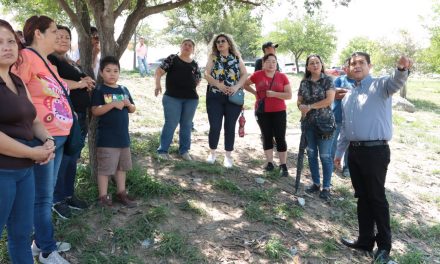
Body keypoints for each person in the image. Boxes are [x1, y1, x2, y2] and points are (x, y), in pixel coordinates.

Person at [335, 52, 412, 263]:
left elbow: (396, 81)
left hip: (375, 152)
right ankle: (365, 240)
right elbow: (345, 127)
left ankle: (384, 247)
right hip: (355, 151)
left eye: (361, 63)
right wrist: (339, 152)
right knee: (362, 197)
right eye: (353, 63)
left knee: (377, 198)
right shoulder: (348, 95)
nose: (357, 66)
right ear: (348, 68)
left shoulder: (380, 85)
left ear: (369, 66)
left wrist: (402, 68)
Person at [12, 15, 72, 264]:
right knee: (43, 197)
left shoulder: (49, 62)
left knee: (45, 194)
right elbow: (15, 91)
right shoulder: (25, 58)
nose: (58, 35)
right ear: (38, 33)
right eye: (54, 30)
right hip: (42, 138)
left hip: (56, 137)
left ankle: (40, 242)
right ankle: (46, 249)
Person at [0, 18, 55, 264]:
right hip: (2, 172)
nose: (7, 46)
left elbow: (33, 120)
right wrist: (33, 153)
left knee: (21, 235)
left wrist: (48, 139)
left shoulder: (18, 81)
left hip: (24, 172)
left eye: (11, 40)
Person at [48, 25, 95, 219]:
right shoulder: (49, 59)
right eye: (58, 36)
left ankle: (68, 194)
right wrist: (81, 83)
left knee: (72, 159)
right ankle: (57, 199)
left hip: (79, 117)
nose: (63, 40)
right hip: (64, 117)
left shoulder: (67, 60)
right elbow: (54, 82)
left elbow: (75, 79)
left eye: (67, 37)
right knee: (64, 159)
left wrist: (86, 80)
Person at [91, 56, 137, 208]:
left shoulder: (123, 89)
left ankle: (121, 192)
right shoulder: (100, 89)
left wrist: (129, 105)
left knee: (122, 167)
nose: (112, 74)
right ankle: (103, 197)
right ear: (101, 73)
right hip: (107, 139)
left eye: (116, 71)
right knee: (105, 169)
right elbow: (95, 111)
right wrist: (112, 105)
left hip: (123, 138)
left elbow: (133, 108)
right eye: (108, 71)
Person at [244, 53, 292, 176]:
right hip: (262, 111)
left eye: (274, 62)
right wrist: (255, 93)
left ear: (276, 64)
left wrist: (274, 94)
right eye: (268, 61)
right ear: (263, 63)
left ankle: (283, 165)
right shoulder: (257, 74)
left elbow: (289, 95)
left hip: (279, 111)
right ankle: (269, 162)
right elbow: (245, 84)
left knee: (280, 137)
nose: (271, 64)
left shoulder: (282, 77)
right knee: (266, 136)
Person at [204, 33, 247, 168]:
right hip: (215, 96)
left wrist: (235, 87)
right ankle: (212, 153)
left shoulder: (236, 57)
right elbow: (206, 74)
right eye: (217, 42)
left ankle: (228, 157)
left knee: (229, 127)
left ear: (229, 43)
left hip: (233, 98)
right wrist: (219, 85)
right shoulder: (213, 57)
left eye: (223, 41)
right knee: (215, 126)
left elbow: (245, 74)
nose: (220, 43)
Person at [154, 39, 201, 161]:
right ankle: (162, 151)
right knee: (171, 123)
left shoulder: (195, 64)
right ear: (180, 46)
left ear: (193, 49)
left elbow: (198, 80)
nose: (187, 46)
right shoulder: (172, 58)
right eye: (185, 44)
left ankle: (184, 151)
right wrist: (157, 85)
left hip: (191, 99)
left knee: (186, 125)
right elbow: (159, 71)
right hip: (172, 98)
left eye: (190, 45)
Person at [297, 54, 335, 200]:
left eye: (317, 62)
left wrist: (310, 106)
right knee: (312, 154)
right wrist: (301, 107)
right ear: (307, 67)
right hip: (308, 124)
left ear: (321, 64)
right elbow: (299, 101)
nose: (314, 65)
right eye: (311, 63)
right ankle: (316, 183)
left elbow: (329, 100)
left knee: (325, 156)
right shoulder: (304, 83)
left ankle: (326, 187)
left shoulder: (328, 80)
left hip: (325, 124)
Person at [331, 58, 354, 177]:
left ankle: (347, 167)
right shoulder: (339, 80)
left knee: (349, 144)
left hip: (352, 119)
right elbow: (335, 94)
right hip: (337, 115)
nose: (346, 68)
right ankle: (332, 164)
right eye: (346, 66)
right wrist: (352, 92)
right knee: (333, 141)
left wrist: (344, 92)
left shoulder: (361, 81)